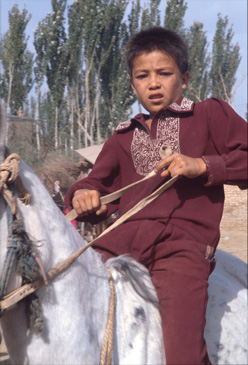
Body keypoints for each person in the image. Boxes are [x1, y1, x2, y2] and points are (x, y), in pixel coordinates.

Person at [65, 27, 247, 364]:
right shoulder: (122, 136)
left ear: (184, 78)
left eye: (164, 73)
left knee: (182, 352)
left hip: (181, 247)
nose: (153, 83)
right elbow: (96, 185)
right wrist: (83, 196)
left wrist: (203, 165)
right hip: (115, 245)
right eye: (142, 76)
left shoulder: (208, 114)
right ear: (133, 84)